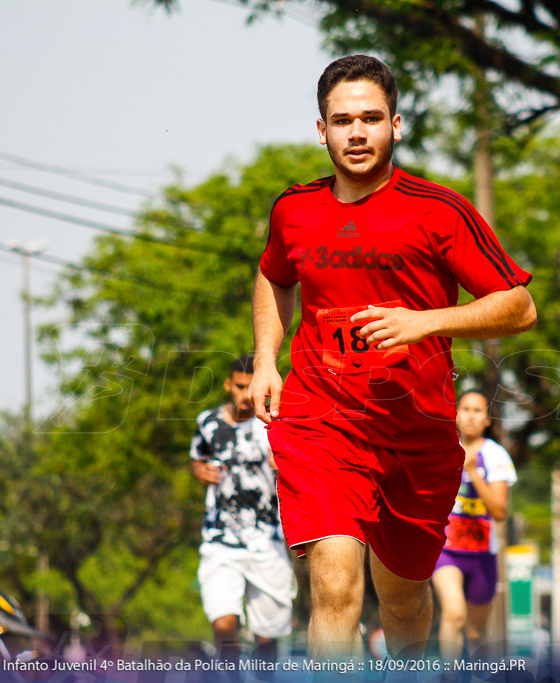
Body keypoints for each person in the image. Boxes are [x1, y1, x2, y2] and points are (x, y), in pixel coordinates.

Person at [248, 55, 536, 661]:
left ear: (396, 126)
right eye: (343, 120)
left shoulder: (438, 211)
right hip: (321, 421)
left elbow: (518, 306)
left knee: (403, 600)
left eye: (371, 118)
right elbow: (274, 276)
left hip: (417, 430)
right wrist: (266, 359)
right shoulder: (293, 210)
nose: (358, 132)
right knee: (333, 586)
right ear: (321, 130)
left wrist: (425, 323)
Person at [190, 354, 296, 663]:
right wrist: (198, 470)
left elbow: (294, 468)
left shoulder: (274, 424)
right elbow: (198, 458)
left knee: (267, 635)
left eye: (253, 388)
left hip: (268, 541)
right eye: (240, 387)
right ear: (228, 385)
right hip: (220, 539)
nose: (247, 395)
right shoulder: (207, 423)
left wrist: (284, 464)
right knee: (223, 623)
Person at [432, 390, 516, 661]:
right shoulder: (440, 448)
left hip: (482, 555)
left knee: (477, 633)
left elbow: (500, 511)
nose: (470, 415)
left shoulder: (495, 455)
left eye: (477, 410)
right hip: (446, 551)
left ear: (487, 420)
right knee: (454, 613)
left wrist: (473, 472)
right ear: (455, 415)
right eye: (465, 408)